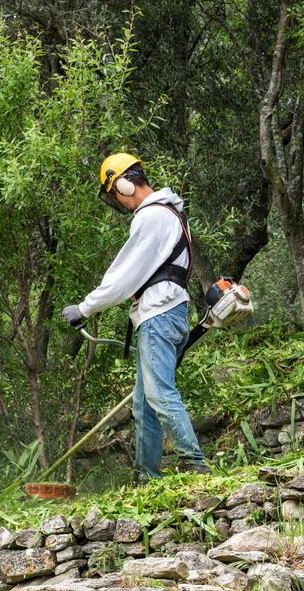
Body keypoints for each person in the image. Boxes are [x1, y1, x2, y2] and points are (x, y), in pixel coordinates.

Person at [62, 153, 210, 480]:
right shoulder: (169, 213)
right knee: (144, 406)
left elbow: (123, 275)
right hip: (162, 314)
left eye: (116, 193)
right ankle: (147, 478)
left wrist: (84, 308)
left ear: (126, 184)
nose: (120, 202)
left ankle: (198, 466)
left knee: (159, 394)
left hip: (159, 314)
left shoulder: (152, 216)